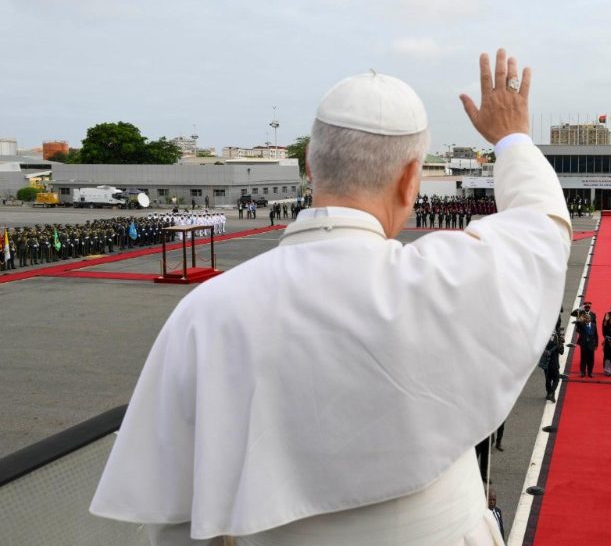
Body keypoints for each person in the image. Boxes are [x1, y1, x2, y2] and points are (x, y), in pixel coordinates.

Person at [90, 49, 570, 545]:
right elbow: (539, 228)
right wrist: (512, 139)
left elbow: (176, 520)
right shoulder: (449, 279)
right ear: (410, 181)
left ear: (309, 167)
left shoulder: (205, 314)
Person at [541, 328, 564, 402]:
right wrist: (561, 344)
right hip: (554, 364)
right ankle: (551, 393)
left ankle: (549, 394)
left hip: (546, 363)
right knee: (556, 379)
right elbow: (561, 351)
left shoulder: (543, 339)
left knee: (548, 380)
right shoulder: (557, 340)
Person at [576, 312, 598, 378]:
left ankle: (590, 372)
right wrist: (579, 319)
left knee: (591, 359)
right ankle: (583, 372)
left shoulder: (594, 325)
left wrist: (596, 344)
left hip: (591, 345)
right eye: (586, 318)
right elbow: (578, 325)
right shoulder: (581, 325)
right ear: (584, 319)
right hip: (584, 345)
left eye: (588, 318)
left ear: (590, 319)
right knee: (583, 359)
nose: (587, 319)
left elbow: (596, 335)